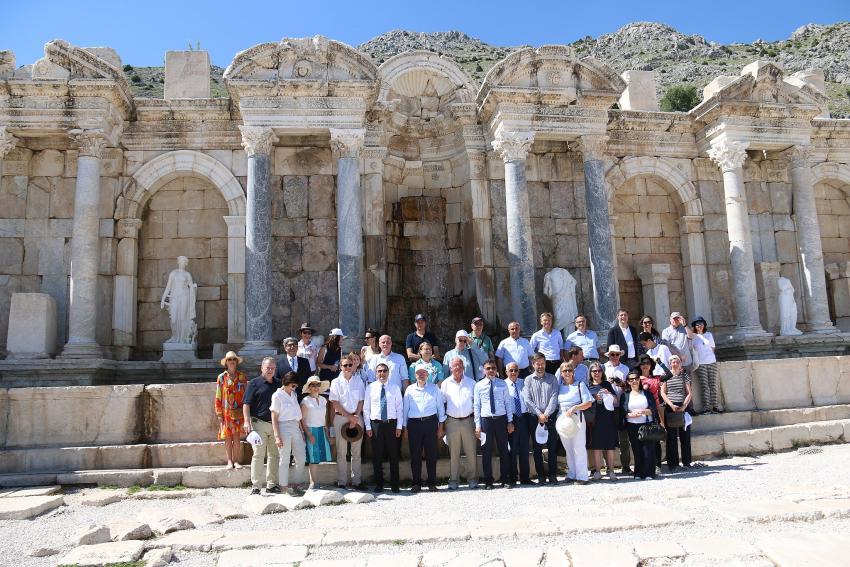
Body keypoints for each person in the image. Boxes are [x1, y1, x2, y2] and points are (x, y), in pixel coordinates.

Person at [403, 366, 446, 492]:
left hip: (431, 423)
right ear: (415, 375)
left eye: (423, 373)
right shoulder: (409, 389)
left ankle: (432, 483)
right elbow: (405, 410)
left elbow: (440, 408)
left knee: (431, 454)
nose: (421, 375)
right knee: (415, 455)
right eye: (418, 373)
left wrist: (441, 427)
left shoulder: (434, 388)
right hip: (414, 425)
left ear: (427, 375)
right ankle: (416, 483)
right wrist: (405, 428)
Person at [242, 357, 281, 494]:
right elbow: (246, 404)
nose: (270, 370)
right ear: (262, 368)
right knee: (258, 455)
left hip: (275, 425)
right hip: (259, 424)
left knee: (274, 455)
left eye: (272, 368)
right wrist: (246, 422)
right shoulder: (254, 383)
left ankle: (271, 485)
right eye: (268, 368)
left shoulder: (279, 384)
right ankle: (256, 486)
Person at [474, 361, 514, 489]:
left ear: (497, 369)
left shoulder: (502, 384)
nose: (491, 370)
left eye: (493, 368)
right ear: (484, 370)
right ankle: (488, 481)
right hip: (486, 421)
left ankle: (505, 479)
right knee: (486, 451)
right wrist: (477, 426)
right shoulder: (478, 385)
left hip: (501, 420)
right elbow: (476, 406)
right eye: (488, 368)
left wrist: (509, 421)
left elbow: (508, 403)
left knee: (504, 450)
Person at [363, 362, 403, 493]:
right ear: (376, 373)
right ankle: (379, 484)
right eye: (379, 371)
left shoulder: (395, 388)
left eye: (384, 371)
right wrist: (368, 427)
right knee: (377, 455)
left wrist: (399, 426)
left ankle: (395, 484)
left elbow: (399, 408)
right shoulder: (370, 388)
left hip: (391, 424)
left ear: (388, 372)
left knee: (393, 455)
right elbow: (366, 408)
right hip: (376, 425)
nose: (382, 373)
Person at [441, 358, 478, 490]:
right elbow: (442, 403)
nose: (457, 368)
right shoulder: (445, 383)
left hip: (468, 420)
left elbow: (477, 404)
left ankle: (473, 479)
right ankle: (453, 480)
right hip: (452, 421)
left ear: (463, 367)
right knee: (454, 453)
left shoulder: (472, 383)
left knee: (471, 452)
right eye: (454, 365)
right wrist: (442, 424)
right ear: (450, 368)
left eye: (459, 365)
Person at [329, 357, 366, 489]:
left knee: (356, 452)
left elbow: (361, 400)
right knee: (341, 452)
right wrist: (350, 417)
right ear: (340, 367)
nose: (348, 367)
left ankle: (356, 481)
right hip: (341, 418)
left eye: (350, 365)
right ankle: (342, 481)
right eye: (345, 365)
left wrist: (355, 415)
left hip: (357, 416)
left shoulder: (359, 381)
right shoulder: (335, 382)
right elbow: (335, 403)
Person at [522, 353, 559, 485]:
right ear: (533, 365)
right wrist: (539, 415)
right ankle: (541, 476)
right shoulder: (528, 380)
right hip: (534, 417)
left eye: (542, 363)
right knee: (537, 448)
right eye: (537, 363)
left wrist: (546, 414)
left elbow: (554, 398)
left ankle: (553, 475)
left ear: (545, 363)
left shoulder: (553, 378)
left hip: (550, 417)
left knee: (552, 446)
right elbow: (527, 400)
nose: (540, 366)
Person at [270, 372, 307, 496]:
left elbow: (297, 414)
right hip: (283, 426)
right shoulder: (277, 396)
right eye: (292, 385)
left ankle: (296, 485)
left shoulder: (294, 394)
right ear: (285, 383)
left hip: (295, 426)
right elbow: (274, 417)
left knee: (301, 458)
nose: (294, 388)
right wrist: (277, 436)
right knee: (284, 458)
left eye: (295, 386)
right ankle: (284, 487)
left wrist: (301, 431)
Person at [556, 362, 593, 485]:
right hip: (563, 420)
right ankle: (572, 473)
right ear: (561, 374)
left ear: (573, 372)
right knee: (568, 448)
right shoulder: (559, 387)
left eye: (569, 370)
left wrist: (575, 408)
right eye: (564, 370)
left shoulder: (580, 385)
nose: (567, 372)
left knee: (578, 447)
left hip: (577, 419)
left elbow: (588, 402)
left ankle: (582, 476)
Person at [621, 368, 659, 480]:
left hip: (646, 424)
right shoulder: (625, 395)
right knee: (636, 450)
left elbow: (653, 409)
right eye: (631, 379)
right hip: (632, 425)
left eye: (636, 378)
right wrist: (630, 415)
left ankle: (649, 473)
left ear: (639, 380)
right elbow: (623, 412)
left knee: (648, 450)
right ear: (628, 381)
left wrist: (643, 411)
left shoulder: (646, 393)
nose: (634, 381)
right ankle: (638, 473)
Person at [638, 354, 672, 471]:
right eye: (643, 363)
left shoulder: (656, 378)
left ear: (650, 365)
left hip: (654, 410)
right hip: (641, 410)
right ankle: (644, 464)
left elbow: (669, 374)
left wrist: (659, 362)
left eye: (647, 363)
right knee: (641, 437)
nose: (645, 365)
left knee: (655, 437)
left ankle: (657, 464)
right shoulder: (636, 379)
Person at [587, 361, 619, 481]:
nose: (597, 373)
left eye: (599, 370)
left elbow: (616, 401)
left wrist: (609, 393)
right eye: (594, 371)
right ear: (590, 373)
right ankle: (598, 471)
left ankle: (611, 471)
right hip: (595, 419)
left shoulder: (607, 384)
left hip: (608, 417)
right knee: (597, 446)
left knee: (610, 445)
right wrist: (595, 398)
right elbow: (585, 402)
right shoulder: (588, 386)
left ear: (602, 372)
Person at [214, 351, 247, 469]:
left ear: (236, 362)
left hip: (238, 411)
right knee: (228, 437)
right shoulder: (221, 377)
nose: (232, 361)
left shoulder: (242, 377)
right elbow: (218, 395)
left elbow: (246, 394)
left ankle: (236, 460)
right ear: (226, 363)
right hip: (226, 412)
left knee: (237, 436)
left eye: (234, 359)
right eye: (229, 359)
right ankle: (229, 461)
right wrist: (219, 414)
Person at [660, 355, 693, 472]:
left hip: (683, 406)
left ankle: (687, 462)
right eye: (673, 362)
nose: (675, 364)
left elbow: (689, 393)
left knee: (685, 437)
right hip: (670, 406)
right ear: (670, 364)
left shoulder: (685, 376)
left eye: (677, 362)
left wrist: (684, 406)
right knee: (671, 437)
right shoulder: (665, 376)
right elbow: (663, 393)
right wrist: (670, 404)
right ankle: (673, 463)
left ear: (680, 363)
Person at [604, 344, 632, 474]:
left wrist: (622, 384)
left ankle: (625, 465)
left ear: (620, 355)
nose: (615, 356)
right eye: (612, 354)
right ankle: (608, 466)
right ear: (609, 355)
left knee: (624, 439)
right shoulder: (602, 368)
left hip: (621, 406)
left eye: (617, 354)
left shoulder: (625, 369)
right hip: (607, 406)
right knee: (607, 437)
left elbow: (631, 387)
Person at [300, 376, 332, 490]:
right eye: (312, 385)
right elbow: (302, 419)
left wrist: (327, 431)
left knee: (317, 457)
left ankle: (315, 481)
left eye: (317, 385)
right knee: (313, 457)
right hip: (311, 430)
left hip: (321, 429)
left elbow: (325, 417)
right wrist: (308, 434)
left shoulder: (324, 400)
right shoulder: (305, 401)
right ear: (309, 387)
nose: (315, 387)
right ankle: (313, 483)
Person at [504, 362, 532, 485]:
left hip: (524, 418)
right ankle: (512, 477)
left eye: (516, 370)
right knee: (512, 449)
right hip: (511, 418)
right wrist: (508, 421)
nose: (513, 373)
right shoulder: (503, 385)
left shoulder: (524, 383)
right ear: (506, 372)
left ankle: (525, 478)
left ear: (519, 371)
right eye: (511, 370)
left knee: (525, 448)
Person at [160, 255, 197, 344]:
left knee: (183, 318)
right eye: (181, 261)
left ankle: (182, 339)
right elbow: (168, 287)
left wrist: (193, 291)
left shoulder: (187, 274)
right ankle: (175, 337)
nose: (182, 263)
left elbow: (191, 287)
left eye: (184, 262)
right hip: (174, 297)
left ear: (186, 264)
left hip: (185, 297)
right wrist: (163, 299)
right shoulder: (173, 273)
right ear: (178, 262)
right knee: (174, 319)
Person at [692, 316, 721, 414]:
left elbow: (712, 348)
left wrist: (710, 357)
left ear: (704, 325)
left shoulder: (709, 335)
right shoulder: (693, 337)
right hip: (701, 363)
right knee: (705, 386)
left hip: (711, 361)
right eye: (697, 324)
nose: (699, 325)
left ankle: (715, 406)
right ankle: (706, 407)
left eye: (701, 323)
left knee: (713, 385)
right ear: (694, 326)